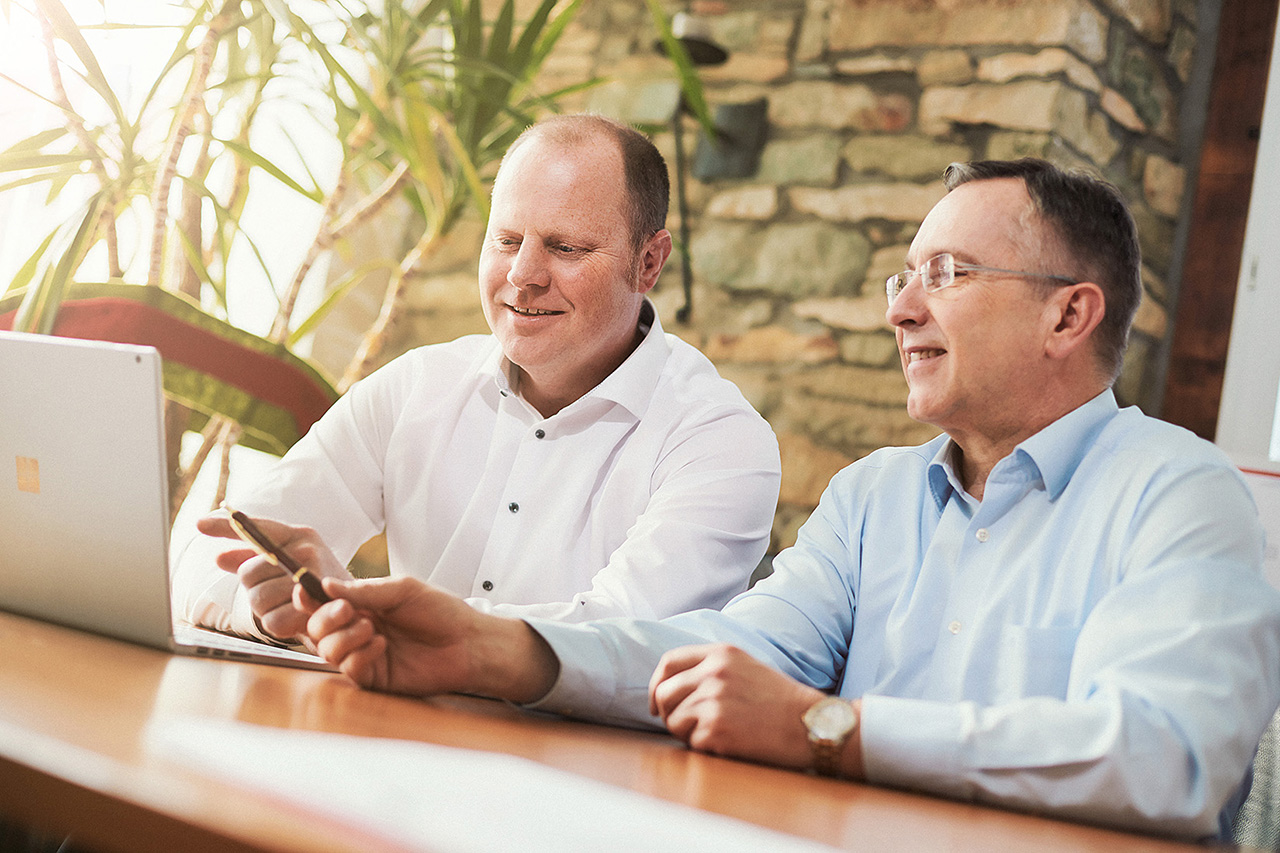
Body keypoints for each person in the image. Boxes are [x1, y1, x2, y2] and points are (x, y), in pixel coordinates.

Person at [202, 158, 1280, 840]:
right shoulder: (872, 497)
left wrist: (825, 728)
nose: (900, 307)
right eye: (900, 277)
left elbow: (1162, 759)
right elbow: (723, 651)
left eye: (942, 273)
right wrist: (497, 650)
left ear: (1067, 316)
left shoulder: (1178, 492)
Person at [173, 114, 781, 642]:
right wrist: (280, 611)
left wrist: (373, 616)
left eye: (565, 248)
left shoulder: (719, 442)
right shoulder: (415, 388)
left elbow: (623, 637)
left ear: (648, 261)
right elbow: (213, 552)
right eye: (507, 239)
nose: (523, 274)